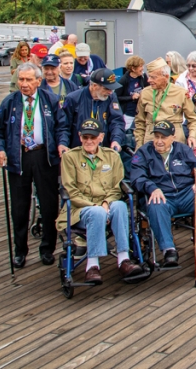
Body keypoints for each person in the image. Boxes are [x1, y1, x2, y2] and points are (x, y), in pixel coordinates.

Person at [0, 62, 63, 267]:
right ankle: (20, 250)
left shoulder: (50, 100)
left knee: (49, 205)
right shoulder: (10, 102)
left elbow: (62, 127)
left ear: (38, 81)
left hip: (45, 156)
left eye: (28, 79)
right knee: (19, 206)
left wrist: (62, 145)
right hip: (19, 157)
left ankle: (47, 248)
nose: (23, 84)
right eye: (20, 79)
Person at [59, 119, 145, 284]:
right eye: (85, 137)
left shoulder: (112, 156)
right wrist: (95, 207)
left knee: (120, 205)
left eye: (93, 137)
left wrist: (105, 204)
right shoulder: (70, 157)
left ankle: (123, 259)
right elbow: (70, 190)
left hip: (106, 205)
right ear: (80, 137)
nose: (89, 141)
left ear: (101, 137)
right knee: (97, 212)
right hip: (80, 209)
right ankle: (92, 266)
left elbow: (118, 186)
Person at [130, 121, 196, 267]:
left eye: (163, 137)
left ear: (173, 137)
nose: (159, 141)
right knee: (155, 204)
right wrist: (151, 188)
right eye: (156, 137)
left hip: (186, 193)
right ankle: (169, 251)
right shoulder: (144, 152)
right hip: (163, 196)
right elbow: (136, 176)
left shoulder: (182, 150)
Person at [133, 58, 196, 150]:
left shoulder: (181, 93)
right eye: (149, 76)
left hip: (174, 139)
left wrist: (192, 136)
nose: (149, 80)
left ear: (166, 76)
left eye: (153, 77)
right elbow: (139, 122)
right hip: (150, 139)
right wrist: (139, 145)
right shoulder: (145, 93)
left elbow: (194, 119)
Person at [58, 69, 125, 155]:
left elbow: (117, 121)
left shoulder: (111, 97)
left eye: (112, 88)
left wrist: (116, 140)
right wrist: (63, 143)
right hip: (79, 152)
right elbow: (63, 125)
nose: (110, 92)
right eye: (107, 88)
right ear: (94, 86)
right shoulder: (73, 99)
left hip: (103, 151)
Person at [116, 55, 146, 127]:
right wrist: (131, 97)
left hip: (140, 112)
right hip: (128, 114)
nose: (142, 68)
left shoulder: (143, 77)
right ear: (133, 68)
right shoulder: (123, 80)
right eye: (140, 66)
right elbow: (116, 97)